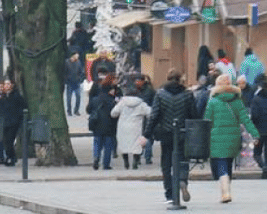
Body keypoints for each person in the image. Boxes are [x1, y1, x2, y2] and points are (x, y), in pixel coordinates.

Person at [144, 69, 197, 205]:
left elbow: (154, 116)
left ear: (167, 78)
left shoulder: (160, 94)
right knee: (183, 160)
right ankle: (182, 180)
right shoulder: (187, 94)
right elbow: (194, 115)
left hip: (166, 134)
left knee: (166, 164)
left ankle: (169, 194)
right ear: (180, 79)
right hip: (182, 133)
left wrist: (147, 134)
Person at [205, 74, 258, 203]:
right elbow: (246, 120)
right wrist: (255, 134)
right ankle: (226, 188)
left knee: (221, 163)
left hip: (216, 137)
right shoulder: (237, 101)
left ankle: (225, 192)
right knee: (228, 162)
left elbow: (206, 121)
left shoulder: (212, 102)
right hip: (233, 137)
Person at [110, 85, 151, 170]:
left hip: (123, 126)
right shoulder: (141, 104)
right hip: (136, 126)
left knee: (124, 144)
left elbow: (113, 113)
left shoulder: (122, 103)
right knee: (136, 145)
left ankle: (126, 162)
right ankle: (135, 161)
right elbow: (150, 113)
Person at [0, 79, 27, 166]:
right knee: (5, 141)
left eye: (8, 84)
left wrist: (19, 117)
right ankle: (9, 157)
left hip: (13, 122)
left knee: (9, 140)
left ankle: (12, 158)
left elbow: (23, 106)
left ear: (12, 85)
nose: (6, 86)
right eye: (5, 84)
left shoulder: (16, 95)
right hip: (5, 122)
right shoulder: (3, 96)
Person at [87, 75, 119, 170]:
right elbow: (116, 113)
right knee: (108, 146)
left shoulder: (95, 99)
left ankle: (96, 158)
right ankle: (106, 164)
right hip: (109, 126)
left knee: (97, 143)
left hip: (97, 125)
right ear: (109, 90)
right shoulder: (112, 101)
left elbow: (88, 110)